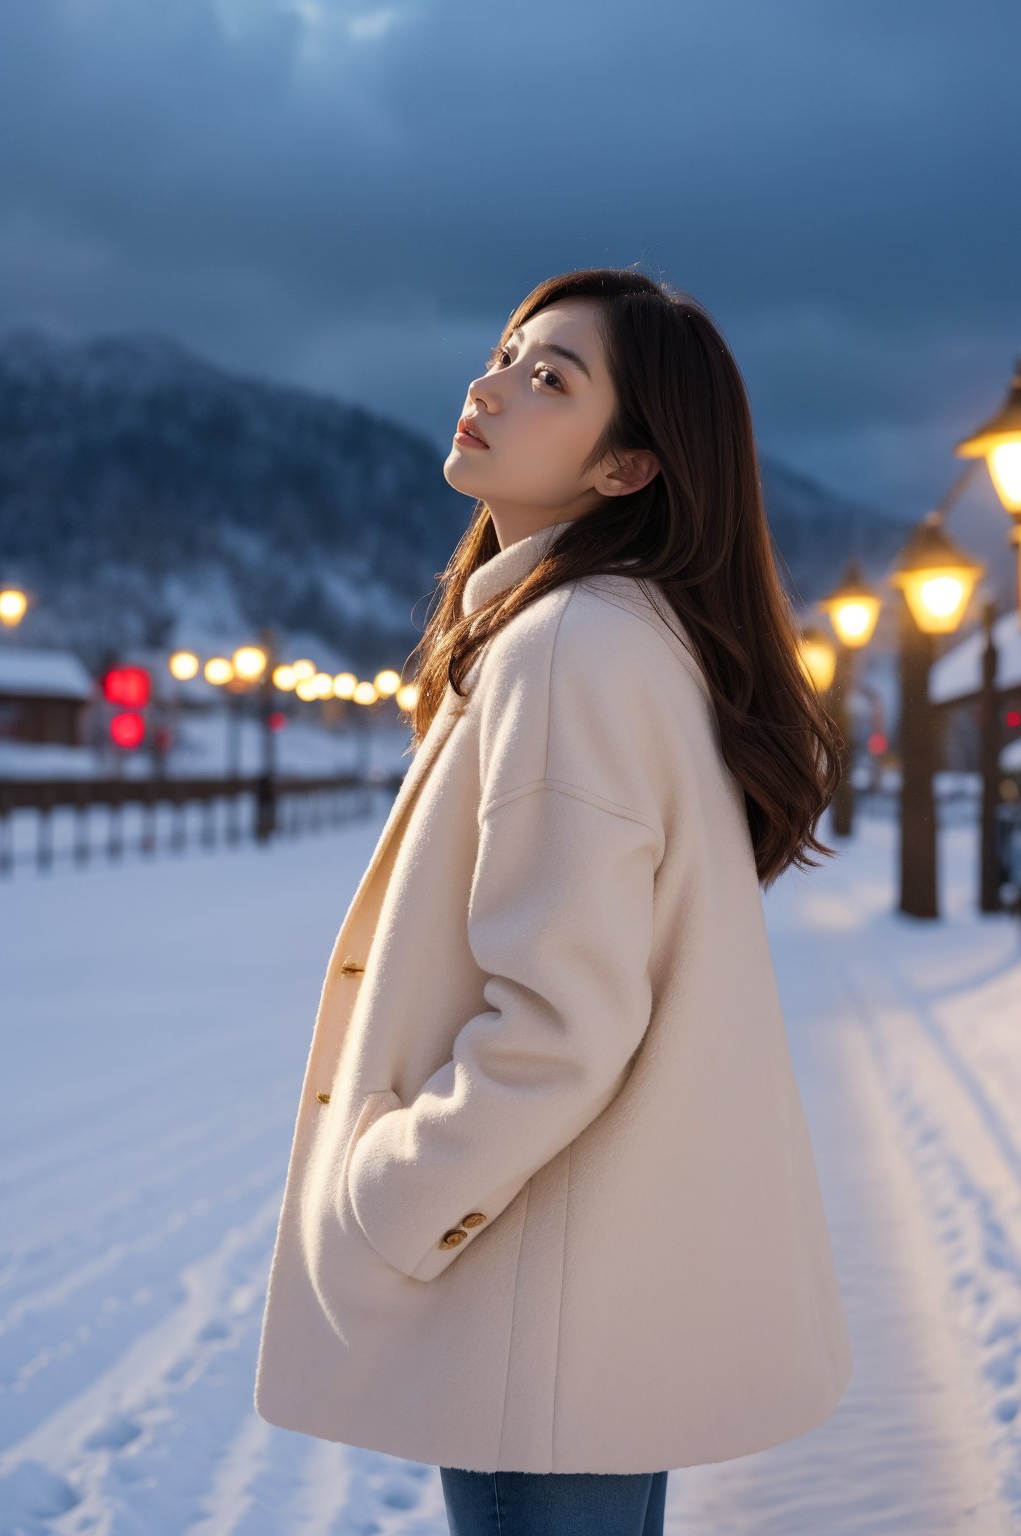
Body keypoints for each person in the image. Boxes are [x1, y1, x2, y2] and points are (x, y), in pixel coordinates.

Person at [254, 267, 854, 1535]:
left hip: (534, 1294)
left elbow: (562, 1025)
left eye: (550, 378)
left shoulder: (569, 646)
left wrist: (391, 1193)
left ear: (626, 470)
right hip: (583, 1298)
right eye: (507, 354)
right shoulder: (617, 633)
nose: (489, 386)